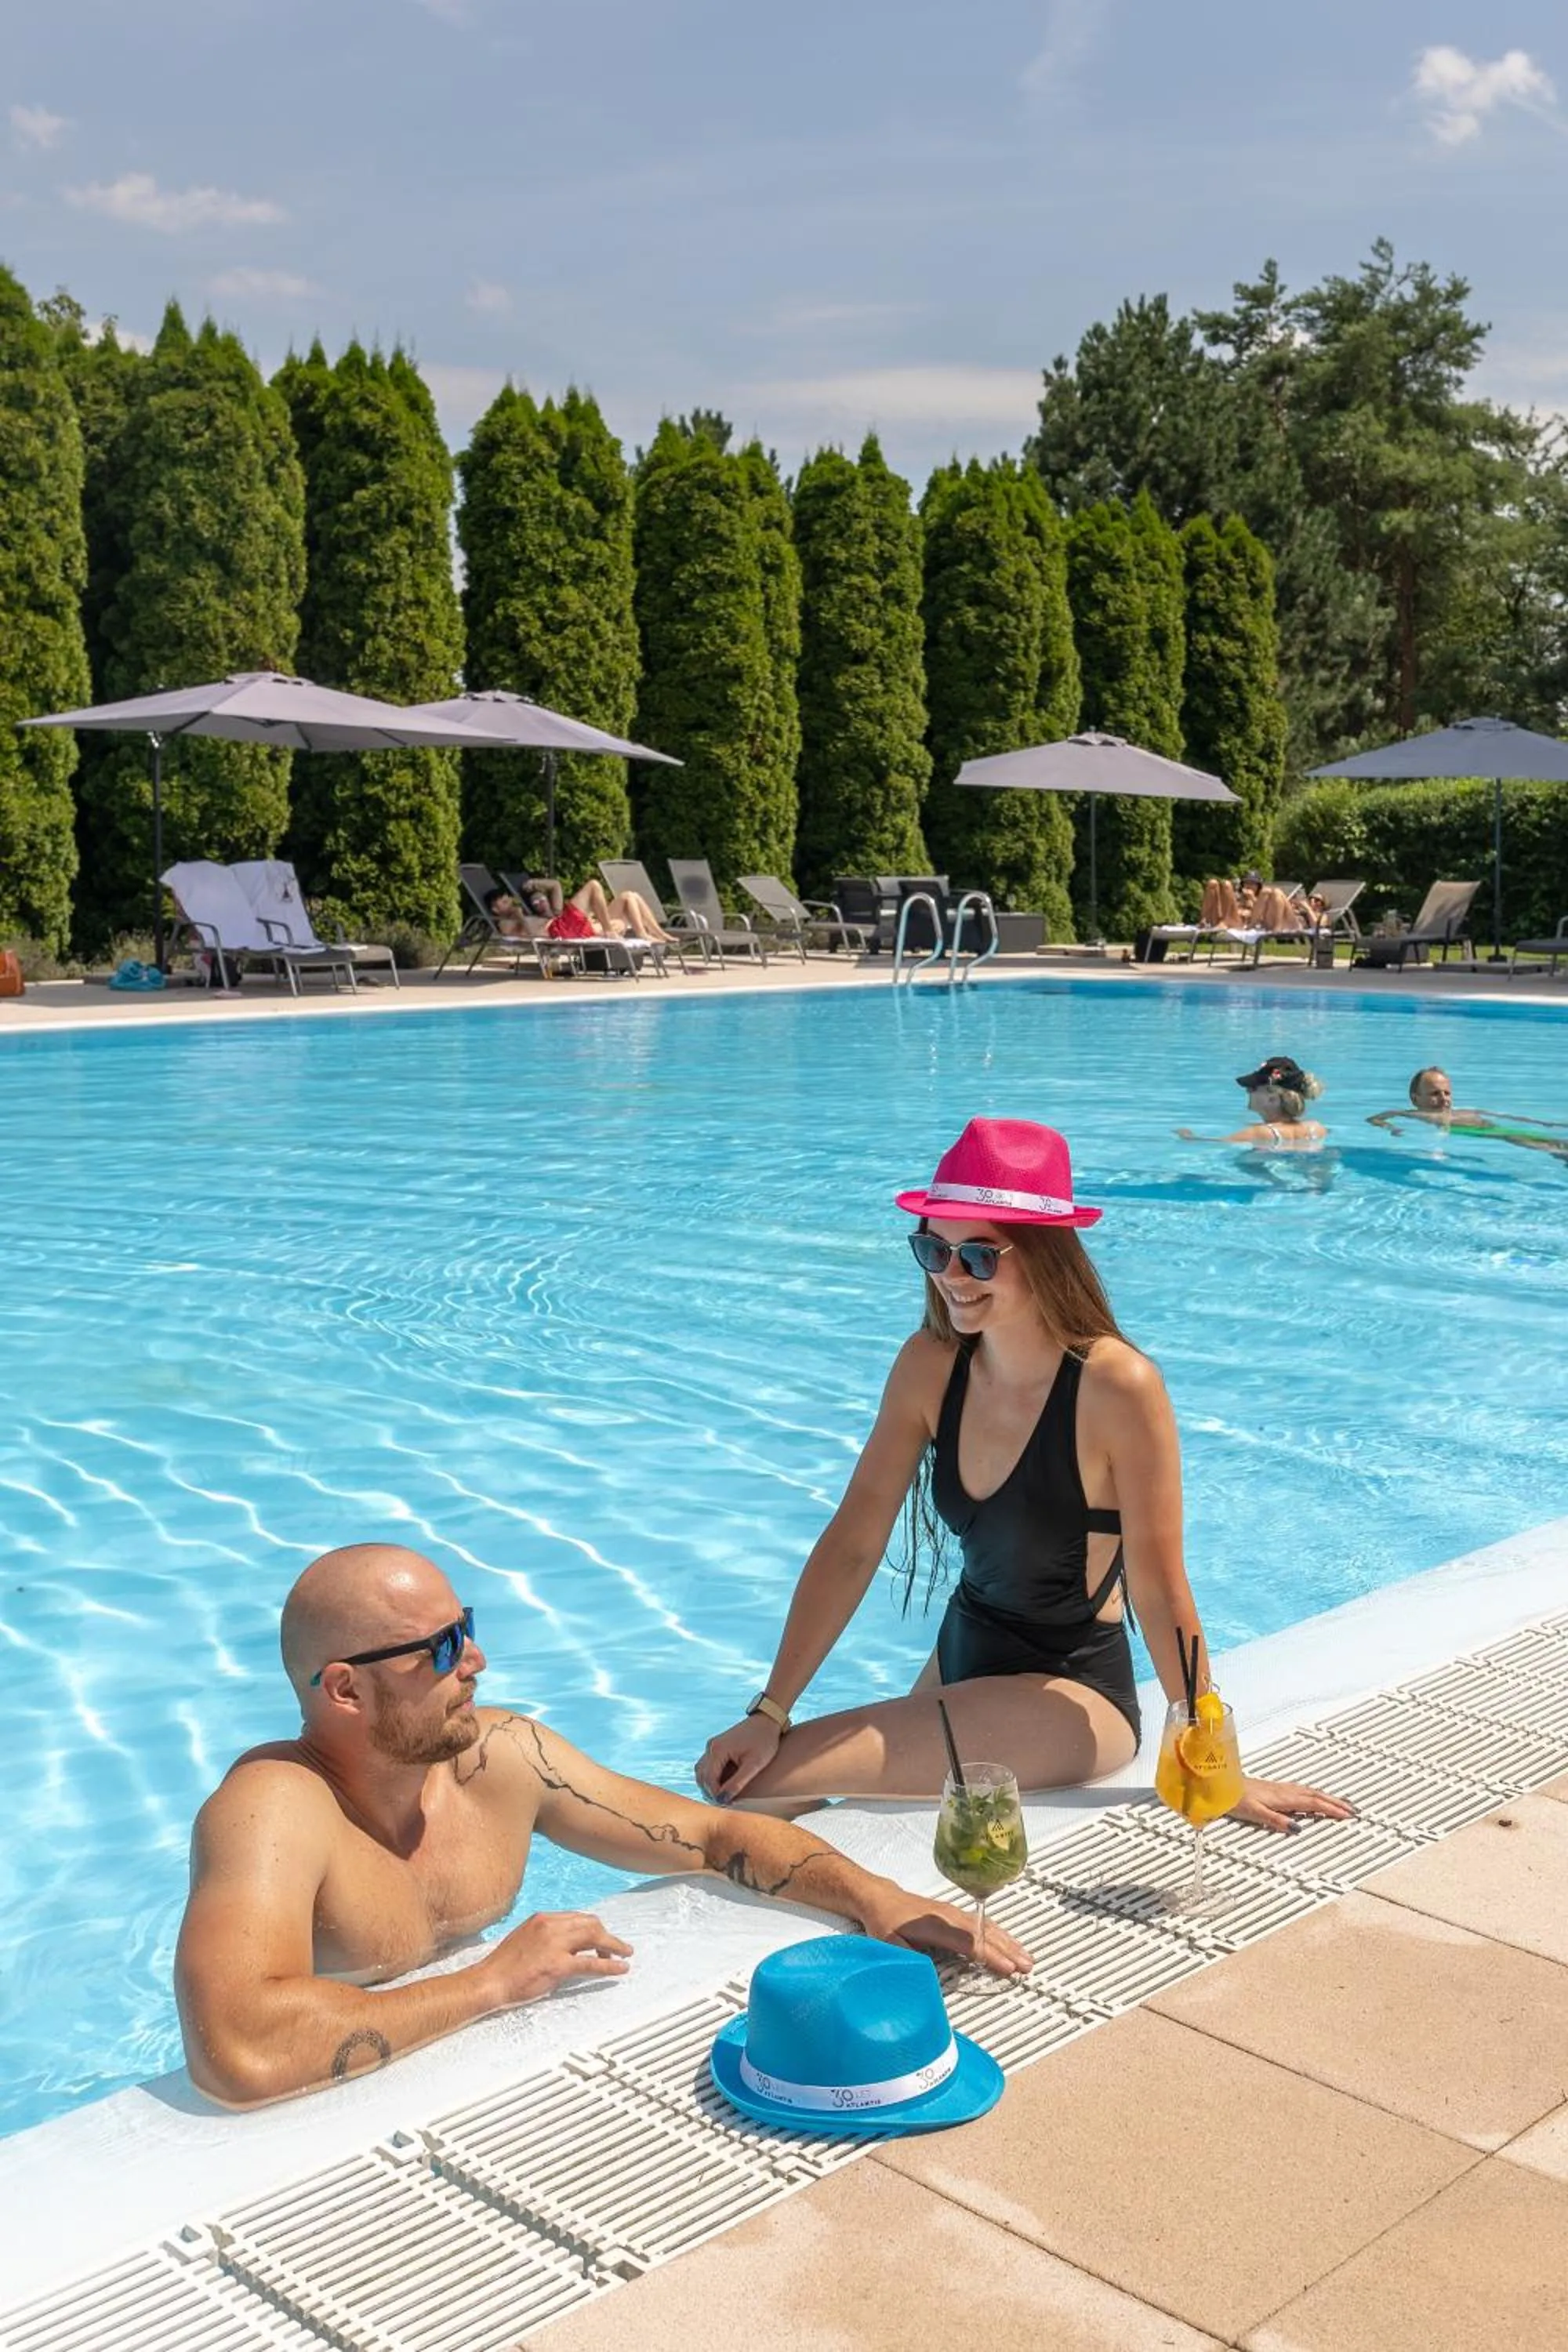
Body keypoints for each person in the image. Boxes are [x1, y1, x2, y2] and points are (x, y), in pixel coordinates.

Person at [173, 1543, 1028, 2107]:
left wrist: (873, 1898)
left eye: (466, 1629)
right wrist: (490, 1983)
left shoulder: (500, 1759)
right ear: (345, 1691)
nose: (474, 1661)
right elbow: (235, 2046)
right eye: (436, 1650)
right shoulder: (275, 1810)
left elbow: (713, 1838)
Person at [693, 1118, 1350, 1835]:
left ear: (1044, 1256)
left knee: (762, 1789)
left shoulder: (1116, 1386)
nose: (950, 1275)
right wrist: (769, 1710)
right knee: (753, 1787)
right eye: (933, 1249)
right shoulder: (930, 1365)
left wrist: (1214, 1760)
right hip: (963, 1654)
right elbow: (853, 1543)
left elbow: (1161, 1589)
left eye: (978, 1256)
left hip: (1069, 1692)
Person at [1369, 1067, 1568, 1162]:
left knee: (1550, 1142)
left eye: (1447, 1093)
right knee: (1531, 1143)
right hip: (1492, 1133)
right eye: (1435, 1094)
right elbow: (1375, 1118)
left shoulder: (1461, 1110)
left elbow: (1500, 1115)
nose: (1443, 1099)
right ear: (1415, 1098)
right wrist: (1392, 1128)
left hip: (1494, 1127)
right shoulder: (1417, 1114)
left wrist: (1543, 1123)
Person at [1177, 1054, 1327, 1151]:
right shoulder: (1316, 1128)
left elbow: (1217, 1143)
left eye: (1253, 1088)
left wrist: (1188, 1137)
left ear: (1272, 1098)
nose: (1248, 1092)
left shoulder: (1259, 1133)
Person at [488, 878, 674, 945]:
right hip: (560, 930)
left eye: (508, 898)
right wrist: (518, 915)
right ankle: (612, 931)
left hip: (566, 925)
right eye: (504, 902)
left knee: (628, 896)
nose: (510, 902)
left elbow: (555, 887)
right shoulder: (504, 924)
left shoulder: (518, 914)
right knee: (593, 885)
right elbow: (529, 937)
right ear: (495, 909)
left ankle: (657, 933)